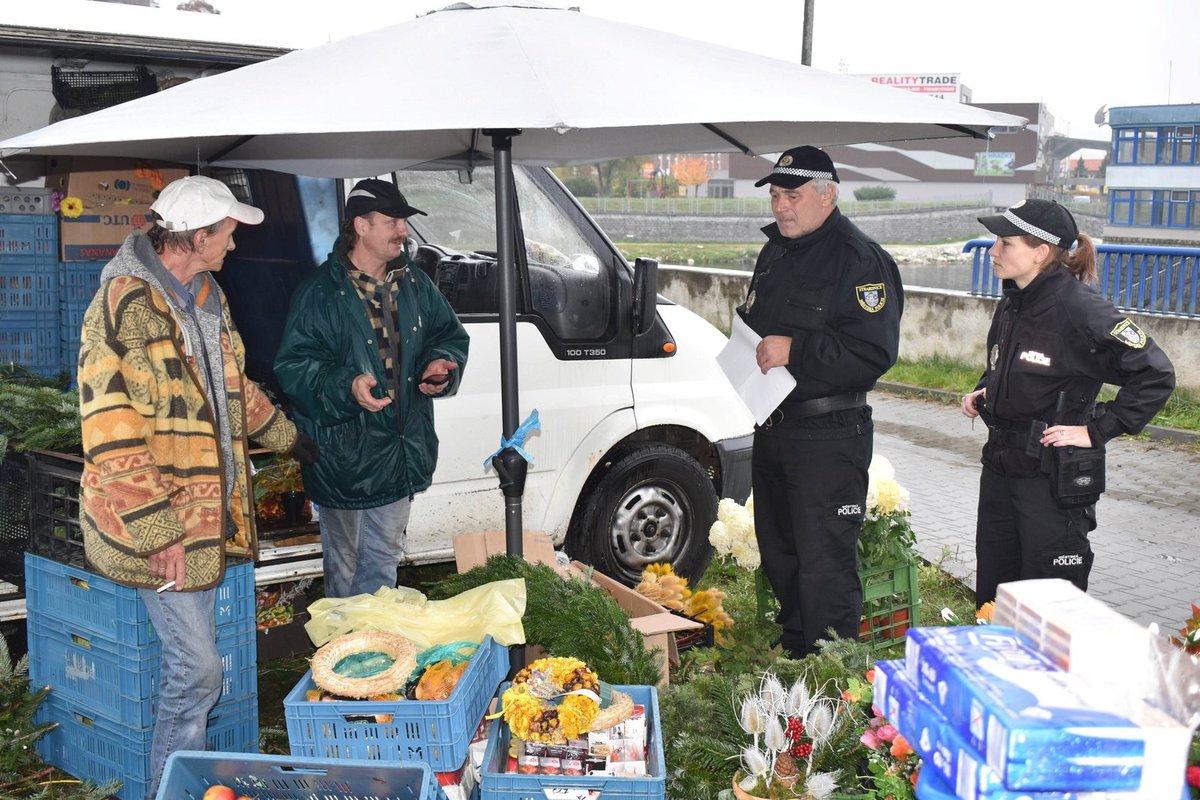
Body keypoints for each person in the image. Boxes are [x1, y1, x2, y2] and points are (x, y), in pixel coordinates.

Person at [77, 175, 320, 799]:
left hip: (206, 519)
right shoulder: (122, 308)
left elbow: (233, 389)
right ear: (196, 235)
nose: (233, 245)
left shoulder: (207, 296)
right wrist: (157, 531)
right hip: (156, 522)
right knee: (199, 671)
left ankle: (192, 782)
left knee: (196, 667)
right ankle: (174, 788)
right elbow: (111, 431)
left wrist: (289, 438)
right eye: (228, 233)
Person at [961, 199, 1174, 606]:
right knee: (994, 597)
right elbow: (1008, 365)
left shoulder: (1080, 308)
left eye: (1005, 243)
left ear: (1040, 252)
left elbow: (1156, 374)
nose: (993, 251)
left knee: (1046, 606)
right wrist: (985, 389)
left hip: (1050, 481)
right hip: (1001, 471)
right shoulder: (1013, 302)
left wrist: (1097, 430)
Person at [739, 146, 904, 658]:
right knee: (781, 558)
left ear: (827, 195)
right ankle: (795, 667)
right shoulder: (777, 252)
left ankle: (831, 683)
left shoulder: (860, 260)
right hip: (775, 428)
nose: (780, 207)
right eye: (774, 195)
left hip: (829, 438)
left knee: (824, 568)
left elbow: (873, 352)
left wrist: (797, 350)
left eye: (793, 195)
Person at [274, 178, 469, 598]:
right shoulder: (319, 294)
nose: (403, 231)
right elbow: (294, 368)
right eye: (393, 221)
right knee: (346, 575)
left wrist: (439, 366)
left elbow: (449, 336)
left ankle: (378, 657)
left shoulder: (415, 283)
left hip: (399, 453)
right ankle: (342, 656)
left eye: (403, 221)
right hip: (345, 458)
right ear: (360, 226)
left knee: (382, 568)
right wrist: (348, 385)